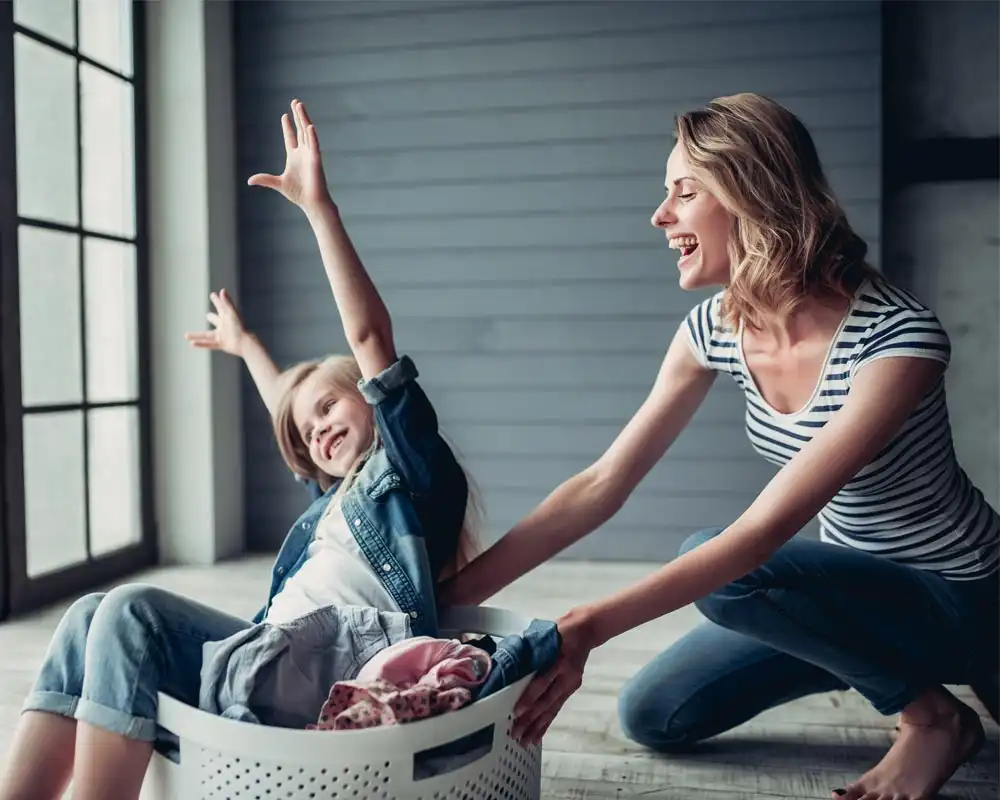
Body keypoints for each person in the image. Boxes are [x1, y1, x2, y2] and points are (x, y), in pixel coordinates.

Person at [439, 92, 999, 800]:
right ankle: (875, 665)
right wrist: (451, 598)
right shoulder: (715, 328)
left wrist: (584, 627)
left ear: (752, 193)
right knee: (655, 714)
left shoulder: (897, 341)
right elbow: (602, 482)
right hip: (838, 597)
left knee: (729, 566)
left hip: (958, 596)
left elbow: (761, 537)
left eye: (683, 191)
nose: (660, 215)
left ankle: (933, 717)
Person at [0, 100, 480, 800]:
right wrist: (249, 348)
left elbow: (372, 341)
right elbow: (288, 404)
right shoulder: (334, 504)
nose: (316, 430)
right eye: (307, 430)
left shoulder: (411, 478)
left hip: (337, 663)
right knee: (85, 617)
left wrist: (319, 210)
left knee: (133, 612)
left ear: (371, 404)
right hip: (276, 654)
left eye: (331, 407)